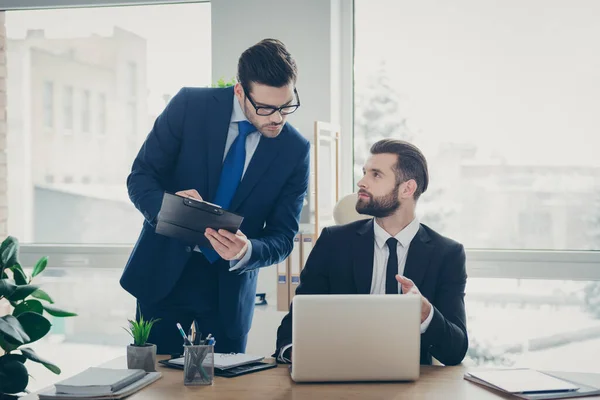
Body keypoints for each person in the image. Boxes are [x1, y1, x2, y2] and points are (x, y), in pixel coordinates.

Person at [120, 39, 310, 355]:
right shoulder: (189, 106)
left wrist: (249, 249)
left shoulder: (295, 150)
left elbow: (282, 237)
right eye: (265, 108)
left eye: (286, 105)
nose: (277, 118)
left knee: (226, 388)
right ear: (240, 91)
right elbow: (141, 178)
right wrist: (170, 208)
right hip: (164, 273)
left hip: (229, 290)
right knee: (156, 388)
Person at [275, 139, 468, 366]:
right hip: (337, 374)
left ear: (407, 188)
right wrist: (293, 353)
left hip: (411, 386)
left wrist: (427, 314)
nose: (361, 182)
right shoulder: (333, 242)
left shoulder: (447, 254)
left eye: (375, 175)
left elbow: (455, 351)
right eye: (365, 172)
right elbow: (294, 325)